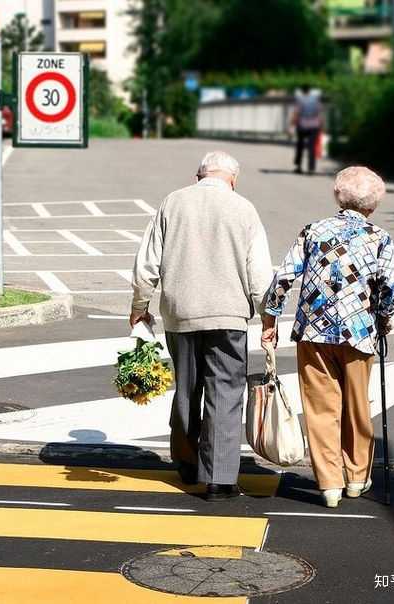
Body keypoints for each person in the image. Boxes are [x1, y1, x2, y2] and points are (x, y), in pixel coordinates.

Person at [130, 151, 273, 501]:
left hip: (181, 313)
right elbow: (260, 273)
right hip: (229, 316)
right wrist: (268, 315)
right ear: (233, 180)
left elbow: (147, 262)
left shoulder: (172, 203)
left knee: (186, 388)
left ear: (198, 176)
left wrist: (139, 306)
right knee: (225, 392)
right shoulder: (244, 209)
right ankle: (221, 479)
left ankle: (187, 461)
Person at [262, 166, 394, 508]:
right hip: (358, 332)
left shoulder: (313, 231)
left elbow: (284, 276)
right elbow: (390, 286)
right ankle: (357, 477)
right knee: (357, 406)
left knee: (321, 409)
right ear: (373, 204)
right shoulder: (379, 237)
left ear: (339, 195)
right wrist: (383, 319)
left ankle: (329, 485)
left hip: (314, 331)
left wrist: (271, 316)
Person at [291, 85, 323, 174]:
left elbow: (296, 113)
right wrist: (322, 126)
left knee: (300, 146)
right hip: (314, 126)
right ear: (310, 91)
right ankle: (311, 168)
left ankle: (298, 167)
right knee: (311, 147)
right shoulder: (316, 100)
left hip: (302, 126)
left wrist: (291, 125)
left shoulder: (300, 100)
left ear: (302, 91)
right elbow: (320, 114)